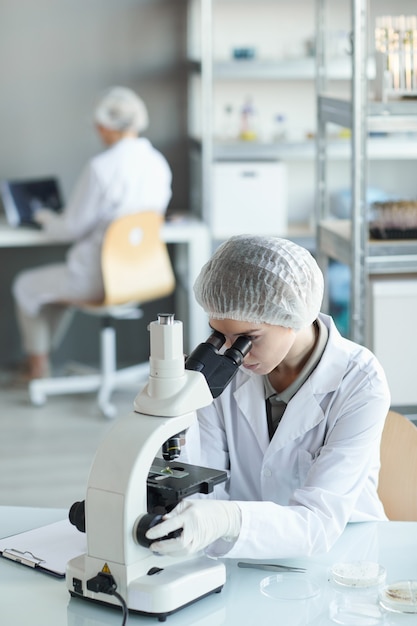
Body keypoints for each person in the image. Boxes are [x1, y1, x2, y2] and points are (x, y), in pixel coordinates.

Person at [145, 235, 391, 559]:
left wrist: (229, 519)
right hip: (241, 554)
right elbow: (204, 486)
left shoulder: (360, 381)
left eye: (248, 339)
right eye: (221, 335)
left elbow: (318, 522)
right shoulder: (221, 373)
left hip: (342, 557)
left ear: (293, 316)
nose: (235, 353)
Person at [12, 86, 172, 380]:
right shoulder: (157, 163)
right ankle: (41, 358)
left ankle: (36, 367)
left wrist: (45, 218)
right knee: (53, 290)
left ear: (106, 125)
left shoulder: (102, 167)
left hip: (99, 279)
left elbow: (71, 228)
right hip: (142, 274)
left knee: (26, 285)